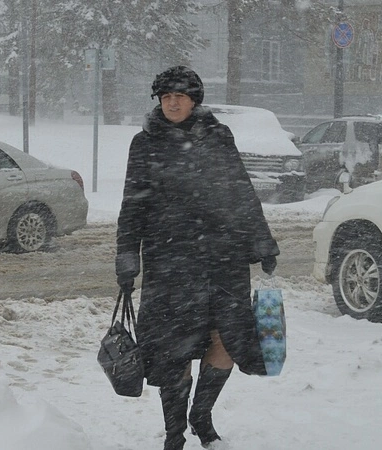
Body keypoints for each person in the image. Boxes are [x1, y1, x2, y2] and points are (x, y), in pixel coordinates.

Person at [115, 66, 279, 450]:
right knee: (175, 349)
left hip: (225, 259)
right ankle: (175, 434)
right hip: (170, 261)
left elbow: (240, 192)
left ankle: (201, 415)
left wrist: (262, 241)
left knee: (227, 341)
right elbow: (132, 206)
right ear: (159, 100)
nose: (173, 102)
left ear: (194, 100)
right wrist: (127, 256)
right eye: (166, 96)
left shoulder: (219, 137)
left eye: (180, 96)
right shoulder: (145, 143)